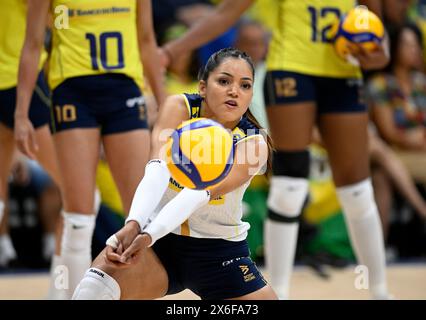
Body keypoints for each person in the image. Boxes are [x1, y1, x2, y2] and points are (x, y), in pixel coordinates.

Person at [161, 0, 391, 299]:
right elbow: (227, 11)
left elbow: (378, 32)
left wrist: (379, 51)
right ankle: (279, 292)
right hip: (292, 70)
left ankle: (379, 291)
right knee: (289, 185)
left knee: (357, 192)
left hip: (343, 72)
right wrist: (170, 50)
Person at [72, 48, 277, 300]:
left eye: (245, 86)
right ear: (202, 87)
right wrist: (134, 223)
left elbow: (198, 193)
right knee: (93, 289)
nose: (234, 91)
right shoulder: (178, 107)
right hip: (161, 247)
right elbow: (156, 169)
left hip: (220, 255)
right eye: (224, 81)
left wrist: (147, 235)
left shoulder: (254, 144)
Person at [15, 0, 165, 299]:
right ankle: (65, 294)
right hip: (73, 93)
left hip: (124, 91)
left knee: (140, 214)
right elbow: (32, 46)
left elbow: (147, 41)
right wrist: (22, 113)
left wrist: (165, 102)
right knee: (79, 216)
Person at [0, 0, 64, 298]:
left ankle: (62, 280)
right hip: (20, 78)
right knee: (76, 193)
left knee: (72, 192)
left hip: (18, 77)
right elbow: (55, 17)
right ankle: (63, 284)